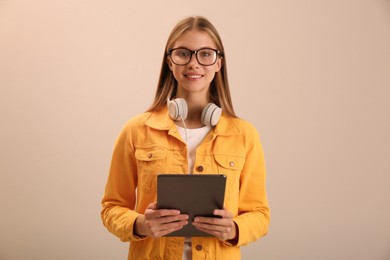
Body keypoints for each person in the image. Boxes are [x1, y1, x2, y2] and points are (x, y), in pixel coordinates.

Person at [101, 16, 270, 260]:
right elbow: (111, 208)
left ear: (218, 63)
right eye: (183, 54)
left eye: (205, 54)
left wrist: (234, 229)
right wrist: (141, 224)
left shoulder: (244, 135)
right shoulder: (137, 130)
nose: (194, 64)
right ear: (170, 62)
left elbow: (260, 214)